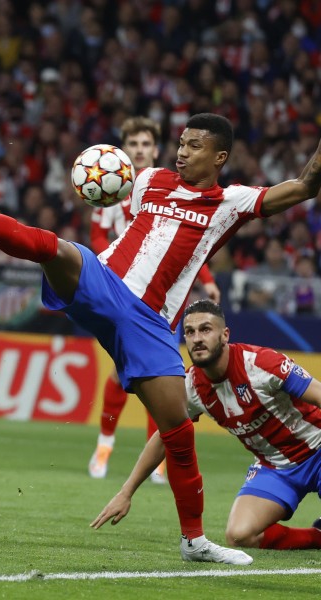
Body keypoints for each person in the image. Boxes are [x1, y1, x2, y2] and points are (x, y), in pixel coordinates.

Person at [0, 112, 321, 564]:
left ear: (219, 156)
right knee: (57, 249)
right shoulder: (149, 180)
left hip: (149, 320)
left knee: (178, 431)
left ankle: (194, 542)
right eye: (181, 143)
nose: (182, 151)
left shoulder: (230, 201)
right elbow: (111, 201)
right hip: (105, 280)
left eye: (195, 145)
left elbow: (303, 187)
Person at [92, 299, 321, 551]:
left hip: (317, 449)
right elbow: (163, 437)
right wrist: (126, 492)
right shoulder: (190, 387)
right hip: (276, 468)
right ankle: (317, 536)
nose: (197, 338)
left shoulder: (261, 364)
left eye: (205, 329)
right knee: (239, 536)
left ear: (224, 335)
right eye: (190, 332)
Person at [87, 116, 221, 483]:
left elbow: (188, 246)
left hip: (162, 297)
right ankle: (105, 443)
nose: (140, 150)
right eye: (134, 145)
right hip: (123, 289)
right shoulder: (113, 185)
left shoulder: (173, 187)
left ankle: (155, 455)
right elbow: (98, 236)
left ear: (155, 149)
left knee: (158, 377)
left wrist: (207, 280)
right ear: (125, 149)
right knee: (126, 372)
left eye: (146, 145)